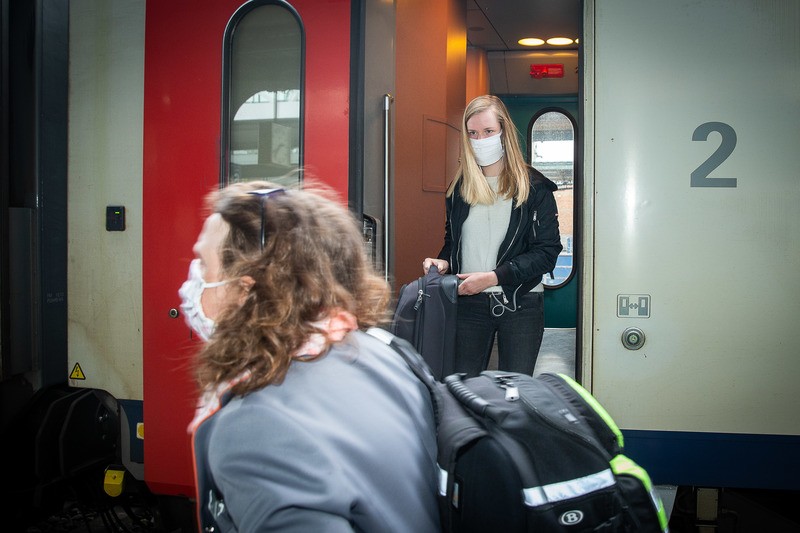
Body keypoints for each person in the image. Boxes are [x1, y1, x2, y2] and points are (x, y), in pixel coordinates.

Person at [178, 181, 440, 532]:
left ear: (245, 291)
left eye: (202, 264)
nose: (191, 281)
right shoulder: (383, 351)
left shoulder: (257, 428)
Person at [423, 95, 562, 377]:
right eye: (473, 133)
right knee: (464, 389)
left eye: (488, 131)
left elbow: (547, 252)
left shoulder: (535, 188)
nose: (480, 139)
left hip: (521, 303)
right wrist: (442, 262)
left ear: (504, 133)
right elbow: (454, 243)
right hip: (468, 304)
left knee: (515, 392)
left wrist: (494, 277)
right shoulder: (459, 189)